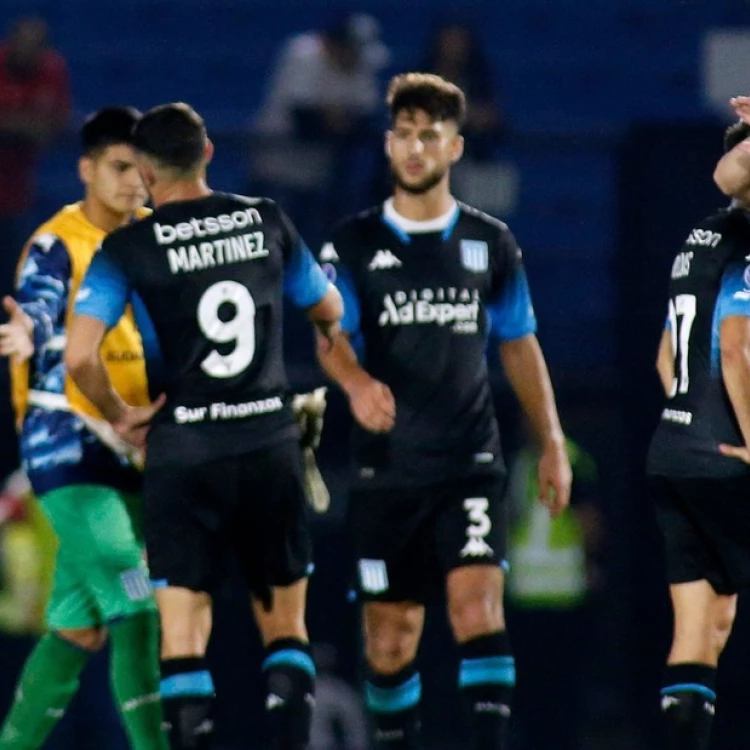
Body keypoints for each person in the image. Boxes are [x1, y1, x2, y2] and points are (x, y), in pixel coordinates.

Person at [64, 102, 344, 750]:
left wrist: (121, 415)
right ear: (209, 152)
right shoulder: (267, 219)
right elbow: (327, 308)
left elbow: (80, 354)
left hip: (183, 450)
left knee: (185, 635)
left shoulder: (128, 247)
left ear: (143, 169)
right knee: (285, 627)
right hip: (267, 443)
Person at [315, 72, 571, 750]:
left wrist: (551, 441)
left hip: (470, 461)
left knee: (476, 605)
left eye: (429, 135)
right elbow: (329, 341)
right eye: (403, 134)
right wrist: (357, 384)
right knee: (391, 636)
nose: (414, 147)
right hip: (388, 469)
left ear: (455, 147)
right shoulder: (353, 243)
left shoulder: (492, 242)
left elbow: (519, 345)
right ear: (389, 143)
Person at [0, 107, 166, 749]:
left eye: (143, 170)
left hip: (135, 447)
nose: (133, 183)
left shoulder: (157, 238)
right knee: (136, 602)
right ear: (87, 169)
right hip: (66, 441)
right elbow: (40, 300)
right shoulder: (57, 241)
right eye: (120, 168)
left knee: (77, 629)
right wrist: (30, 327)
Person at [646, 118, 750, 750]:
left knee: (703, 630)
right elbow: (737, 351)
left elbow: (665, 358)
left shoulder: (699, 234)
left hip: (674, 449)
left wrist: (694, 416)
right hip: (725, 458)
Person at [0, 16, 71, 300]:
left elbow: (50, 126)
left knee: (15, 274)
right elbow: (33, 127)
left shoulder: (52, 70)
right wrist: (24, 124)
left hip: (18, 192)